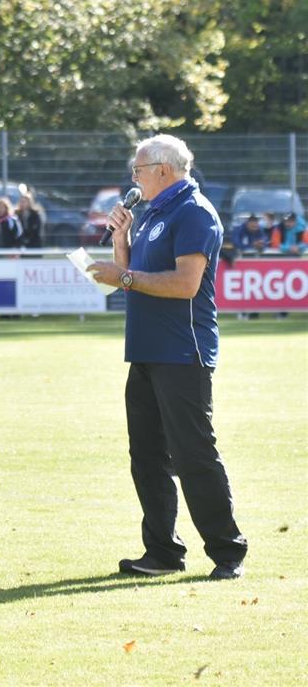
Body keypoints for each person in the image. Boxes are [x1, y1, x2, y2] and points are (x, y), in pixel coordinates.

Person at [88, 134, 246, 581]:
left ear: (163, 169)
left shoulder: (194, 212)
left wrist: (125, 276)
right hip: (146, 350)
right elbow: (132, 274)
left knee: (193, 453)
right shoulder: (153, 211)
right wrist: (122, 240)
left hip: (183, 352)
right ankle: (161, 552)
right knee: (147, 457)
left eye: (137, 169)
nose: (133, 178)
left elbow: (184, 285)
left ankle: (228, 552)